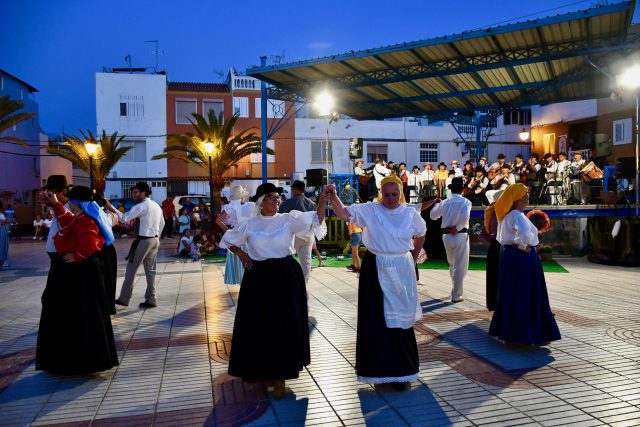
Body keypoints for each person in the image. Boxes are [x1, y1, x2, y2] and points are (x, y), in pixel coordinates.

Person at [219, 182, 326, 398]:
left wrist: (323, 200)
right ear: (260, 202)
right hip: (258, 277)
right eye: (270, 197)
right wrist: (242, 254)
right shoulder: (249, 223)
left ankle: (281, 377)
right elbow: (228, 240)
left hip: (285, 276)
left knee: (284, 325)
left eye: (277, 197)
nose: (276, 200)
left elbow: (316, 220)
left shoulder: (288, 219)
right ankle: (263, 371)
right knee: (259, 326)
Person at [323, 176, 426, 389]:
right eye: (386, 195)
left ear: (400, 193)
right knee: (376, 320)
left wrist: (414, 258)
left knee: (400, 321)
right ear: (381, 193)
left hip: (401, 266)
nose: (390, 199)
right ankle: (377, 372)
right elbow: (344, 213)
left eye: (394, 194)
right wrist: (333, 198)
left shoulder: (409, 213)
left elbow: (421, 234)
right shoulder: (370, 210)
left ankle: (402, 373)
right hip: (376, 266)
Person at [36, 185, 118, 374]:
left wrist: (78, 256)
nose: (69, 204)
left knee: (82, 312)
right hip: (80, 271)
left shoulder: (86, 220)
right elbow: (68, 221)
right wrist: (56, 205)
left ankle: (82, 361)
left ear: (77, 203)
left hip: (83, 273)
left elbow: (90, 241)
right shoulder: (82, 217)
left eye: (71, 201)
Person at [488, 184, 561, 345]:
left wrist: (517, 244)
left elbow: (501, 238)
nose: (528, 196)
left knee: (512, 292)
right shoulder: (517, 216)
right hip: (522, 258)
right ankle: (526, 333)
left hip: (510, 256)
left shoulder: (507, 215)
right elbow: (526, 234)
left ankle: (512, 332)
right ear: (519, 197)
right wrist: (522, 245)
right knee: (527, 292)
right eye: (525, 193)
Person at [107, 182, 164, 309]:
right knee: (150, 271)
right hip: (154, 240)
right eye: (133, 192)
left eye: (136, 192)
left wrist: (110, 207)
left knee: (131, 270)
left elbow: (124, 218)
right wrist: (156, 236)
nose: (134, 194)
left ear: (144, 193)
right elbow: (162, 223)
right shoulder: (156, 205)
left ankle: (124, 299)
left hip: (144, 240)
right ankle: (151, 299)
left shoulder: (141, 206)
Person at [430, 177, 472, 303]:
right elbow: (466, 216)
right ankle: (456, 294)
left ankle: (455, 289)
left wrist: (438, 203)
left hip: (447, 236)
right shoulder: (466, 202)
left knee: (452, 263)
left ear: (451, 189)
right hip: (459, 234)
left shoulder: (445, 202)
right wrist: (458, 227)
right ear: (463, 190)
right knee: (460, 265)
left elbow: (433, 216)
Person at [279, 180, 318, 283]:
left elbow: (279, 217)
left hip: (293, 235)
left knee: (287, 260)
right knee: (306, 262)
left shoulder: (289, 202)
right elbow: (315, 221)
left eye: (292, 188)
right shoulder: (312, 204)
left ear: (296, 190)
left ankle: (290, 283)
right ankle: (304, 285)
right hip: (308, 236)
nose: (291, 190)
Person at [216, 186, 254, 285]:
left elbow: (218, 220)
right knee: (250, 260)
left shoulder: (230, 207)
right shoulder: (251, 206)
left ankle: (241, 283)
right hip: (249, 237)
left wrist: (229, 231)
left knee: (239, 259)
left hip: (235, 238)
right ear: (242, 196)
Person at [482, 190, 503, 311]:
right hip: (502, 246)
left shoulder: (489, 211)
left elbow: (485, 233)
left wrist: (493, 240)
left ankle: (493, 303)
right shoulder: (502, 212)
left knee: (493, 276)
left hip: (494, 247)